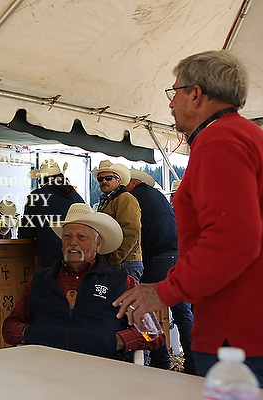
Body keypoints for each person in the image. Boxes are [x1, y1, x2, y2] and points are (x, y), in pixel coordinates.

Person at [114, 50, 263, 386]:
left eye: (175, 92)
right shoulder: (247, 135)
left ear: (196, 94)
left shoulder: (219, 140)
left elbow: (233, 238)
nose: (171, 104)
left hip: (237, 332)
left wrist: (165, 291)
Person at [3, 203, 164, 360]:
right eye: (67, 236)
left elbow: (154, 334)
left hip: (102, 369)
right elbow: (9, 328)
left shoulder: (122, 283)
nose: (73, 242)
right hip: (46, 366)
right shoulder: (39, 281)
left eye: (81, 237)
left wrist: (115, 341)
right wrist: (33, 333)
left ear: (98, 243)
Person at [126, 169, 196, 374]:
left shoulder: (134, 198)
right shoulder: (157, 196)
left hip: (157, 257)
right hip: (176, 254)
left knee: (144, 309)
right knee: (182, 311)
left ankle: (161, 359)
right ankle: (193, 362)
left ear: (134, 182)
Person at [18, 158, 84, 268]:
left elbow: (26, 234)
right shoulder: (78, 198)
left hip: (51, 261)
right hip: (79, 257)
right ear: (61, 177)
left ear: (40, 181)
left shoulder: (36, 197)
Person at [92, 160, 143, 281]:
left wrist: (113, 260)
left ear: (118, 180)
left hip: (125, 262)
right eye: (100, 179)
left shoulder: (125, 198)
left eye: (109, 178)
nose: (104, 181)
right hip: (121, 261)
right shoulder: (109, 200)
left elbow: (131, 231)